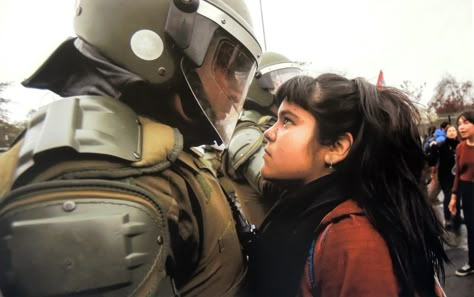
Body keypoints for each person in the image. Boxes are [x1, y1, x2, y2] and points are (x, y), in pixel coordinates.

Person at [0, 0, 262, 296]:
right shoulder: (98, 175)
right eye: (224, 66)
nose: (233, 88)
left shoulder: (158, 147)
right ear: (155, 42)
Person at [245, 74, 447, 297]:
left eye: (288, 121)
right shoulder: (307, 210)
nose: (268, 133)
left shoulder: (352, 239)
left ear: (336, 147)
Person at [222, 51, 303, 226]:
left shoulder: (276, 124)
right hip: (279, 243)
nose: (291, 91)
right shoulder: (245, 133)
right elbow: (275, 184)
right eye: (280, 83)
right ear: (259, 88)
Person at [449, 110, 474, 277]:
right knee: (472, 228)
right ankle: (472, 263)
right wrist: (453, 196)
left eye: (465, 123)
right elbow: (457, 173)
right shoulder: (460, 147)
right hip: (467, 190)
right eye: (459, 124)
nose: (461, 127)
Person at [427, 124, 461, 228]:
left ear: (456, 133)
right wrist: (432, 147)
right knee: (448, 195)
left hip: (458, 175)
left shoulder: (460, 144)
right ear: (446, 133)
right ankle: (448, 218)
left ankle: (457, 217)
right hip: (445, 175)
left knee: (457, 196)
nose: (452, 132)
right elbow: (432, 159)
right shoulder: (441, 145)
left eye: (454, 130)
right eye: (449, 131)